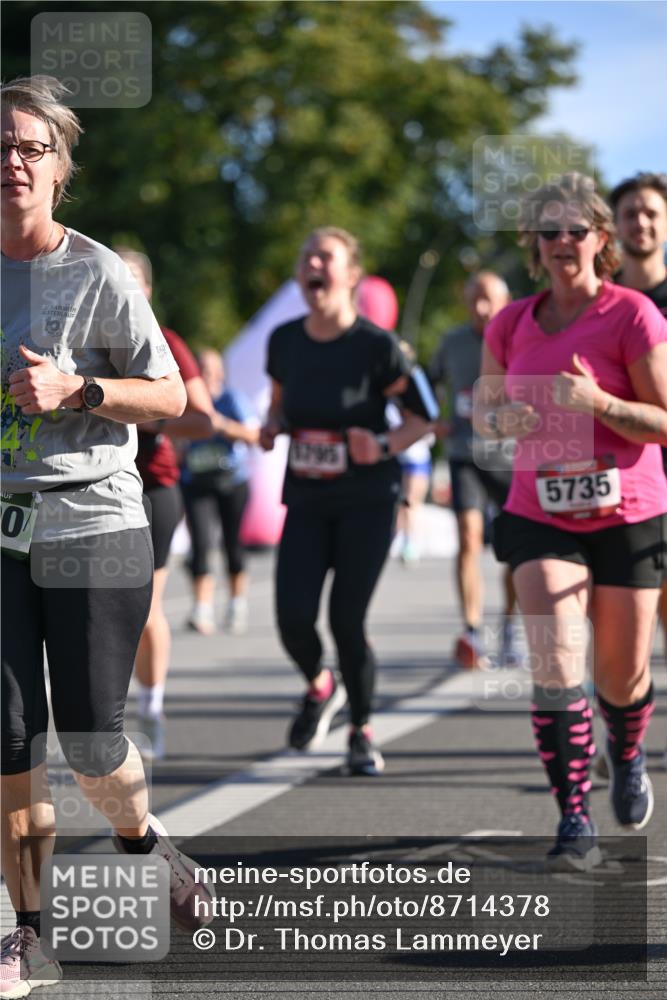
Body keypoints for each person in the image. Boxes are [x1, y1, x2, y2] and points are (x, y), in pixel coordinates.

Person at [0, 76, 212, 997]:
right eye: (0, 147)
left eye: (30, 148)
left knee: (90, 740)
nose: (12, 161)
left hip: (95, 518)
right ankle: (29, 931)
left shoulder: (98, 273)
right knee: (9, 736)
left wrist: (77, 391)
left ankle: (145, 840)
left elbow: (170, 398)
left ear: (59, 172)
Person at [475, 172, 667, 869]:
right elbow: (482, 413)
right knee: (556, 663)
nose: (561, 242)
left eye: (574, 230)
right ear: (533, 245)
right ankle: (573, 816)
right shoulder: (509, 323)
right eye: (546, 231)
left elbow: (663, 422)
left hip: (628, 514)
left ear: (600, 238)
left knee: (619, 677)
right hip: (540, 513)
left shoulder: (633, 315)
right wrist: (503, 419)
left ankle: (626, 747)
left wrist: (600, 403)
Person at [260, 226, 433, 776]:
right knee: (291, 618)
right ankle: (320, 685)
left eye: (325, 256)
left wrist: (382, 443)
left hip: (367, 499)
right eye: (306, 255)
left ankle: (361, 729)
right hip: (307, 498)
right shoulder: (284, 340)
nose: (313, 264)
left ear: (351, 275)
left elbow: (424, 419)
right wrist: (271, 425)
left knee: (345, 619)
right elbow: (280, 402)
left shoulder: (376, 347)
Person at [116, 248, 214, 760]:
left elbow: (203, 420)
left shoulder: (167, 343)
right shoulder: (86, 338)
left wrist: (143, 415)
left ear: (148, 290)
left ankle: (151, 706)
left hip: (153, 489)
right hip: (93, 491)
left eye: (132, 281)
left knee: (143, 606)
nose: (123, 289)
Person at [429, 272, 520, 668]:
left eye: (488, 299)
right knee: (468, 538)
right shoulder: (452, 342)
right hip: (465, 453)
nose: (480, 308)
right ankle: (471, 630)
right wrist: (434, 417)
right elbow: (425, 383)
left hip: (509, 458)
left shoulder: (522, 337)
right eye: (473, 300)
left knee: (516, 550)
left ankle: (510, 628)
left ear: (506, 300)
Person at [610, 173, 667, 649]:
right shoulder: (596, 303)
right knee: (624, 627)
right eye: (630, 213)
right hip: (617, 476)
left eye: (651, 212)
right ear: (614, 225)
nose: (641, 222)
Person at [182, 349, 259, 636]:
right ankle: (201, 609)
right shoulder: (187, 401)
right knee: (201, 544)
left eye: (210, 368)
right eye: (199, 367)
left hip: (232, 482)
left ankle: (237, 603)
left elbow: (253, 435)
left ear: (221, 372)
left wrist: (222, 425)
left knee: (232, 544)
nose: (205, 372)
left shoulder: (232, 399)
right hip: (196, 482)